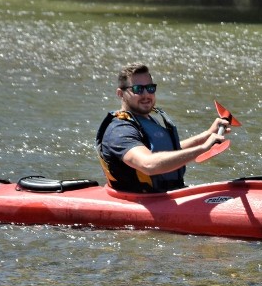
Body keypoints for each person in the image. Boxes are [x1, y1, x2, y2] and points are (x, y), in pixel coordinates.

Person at [95, 62, 229, 193]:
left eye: (150, 88)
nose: (146, 94)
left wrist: (206, 135)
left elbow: (164, 151)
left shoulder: (145, 120)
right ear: (120, 93)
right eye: (138, 89)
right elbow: (148, 164)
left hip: (167, 194)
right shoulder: (120, 130)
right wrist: (202, 149)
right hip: (141, 201)